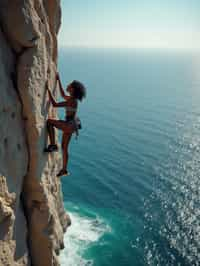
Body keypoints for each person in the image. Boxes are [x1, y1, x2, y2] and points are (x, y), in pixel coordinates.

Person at [44, 72, 86, 177]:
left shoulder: (72, 101)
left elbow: (55, 104)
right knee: (64, 148)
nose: (68, 85)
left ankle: (53, 145)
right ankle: (64, 169)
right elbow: (62, 94)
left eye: (70, 85)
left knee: (49, 122)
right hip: (71, 125)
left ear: (72, 89)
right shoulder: (73, 99)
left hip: (68, 125)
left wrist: (48, 90)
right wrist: (58, 80)